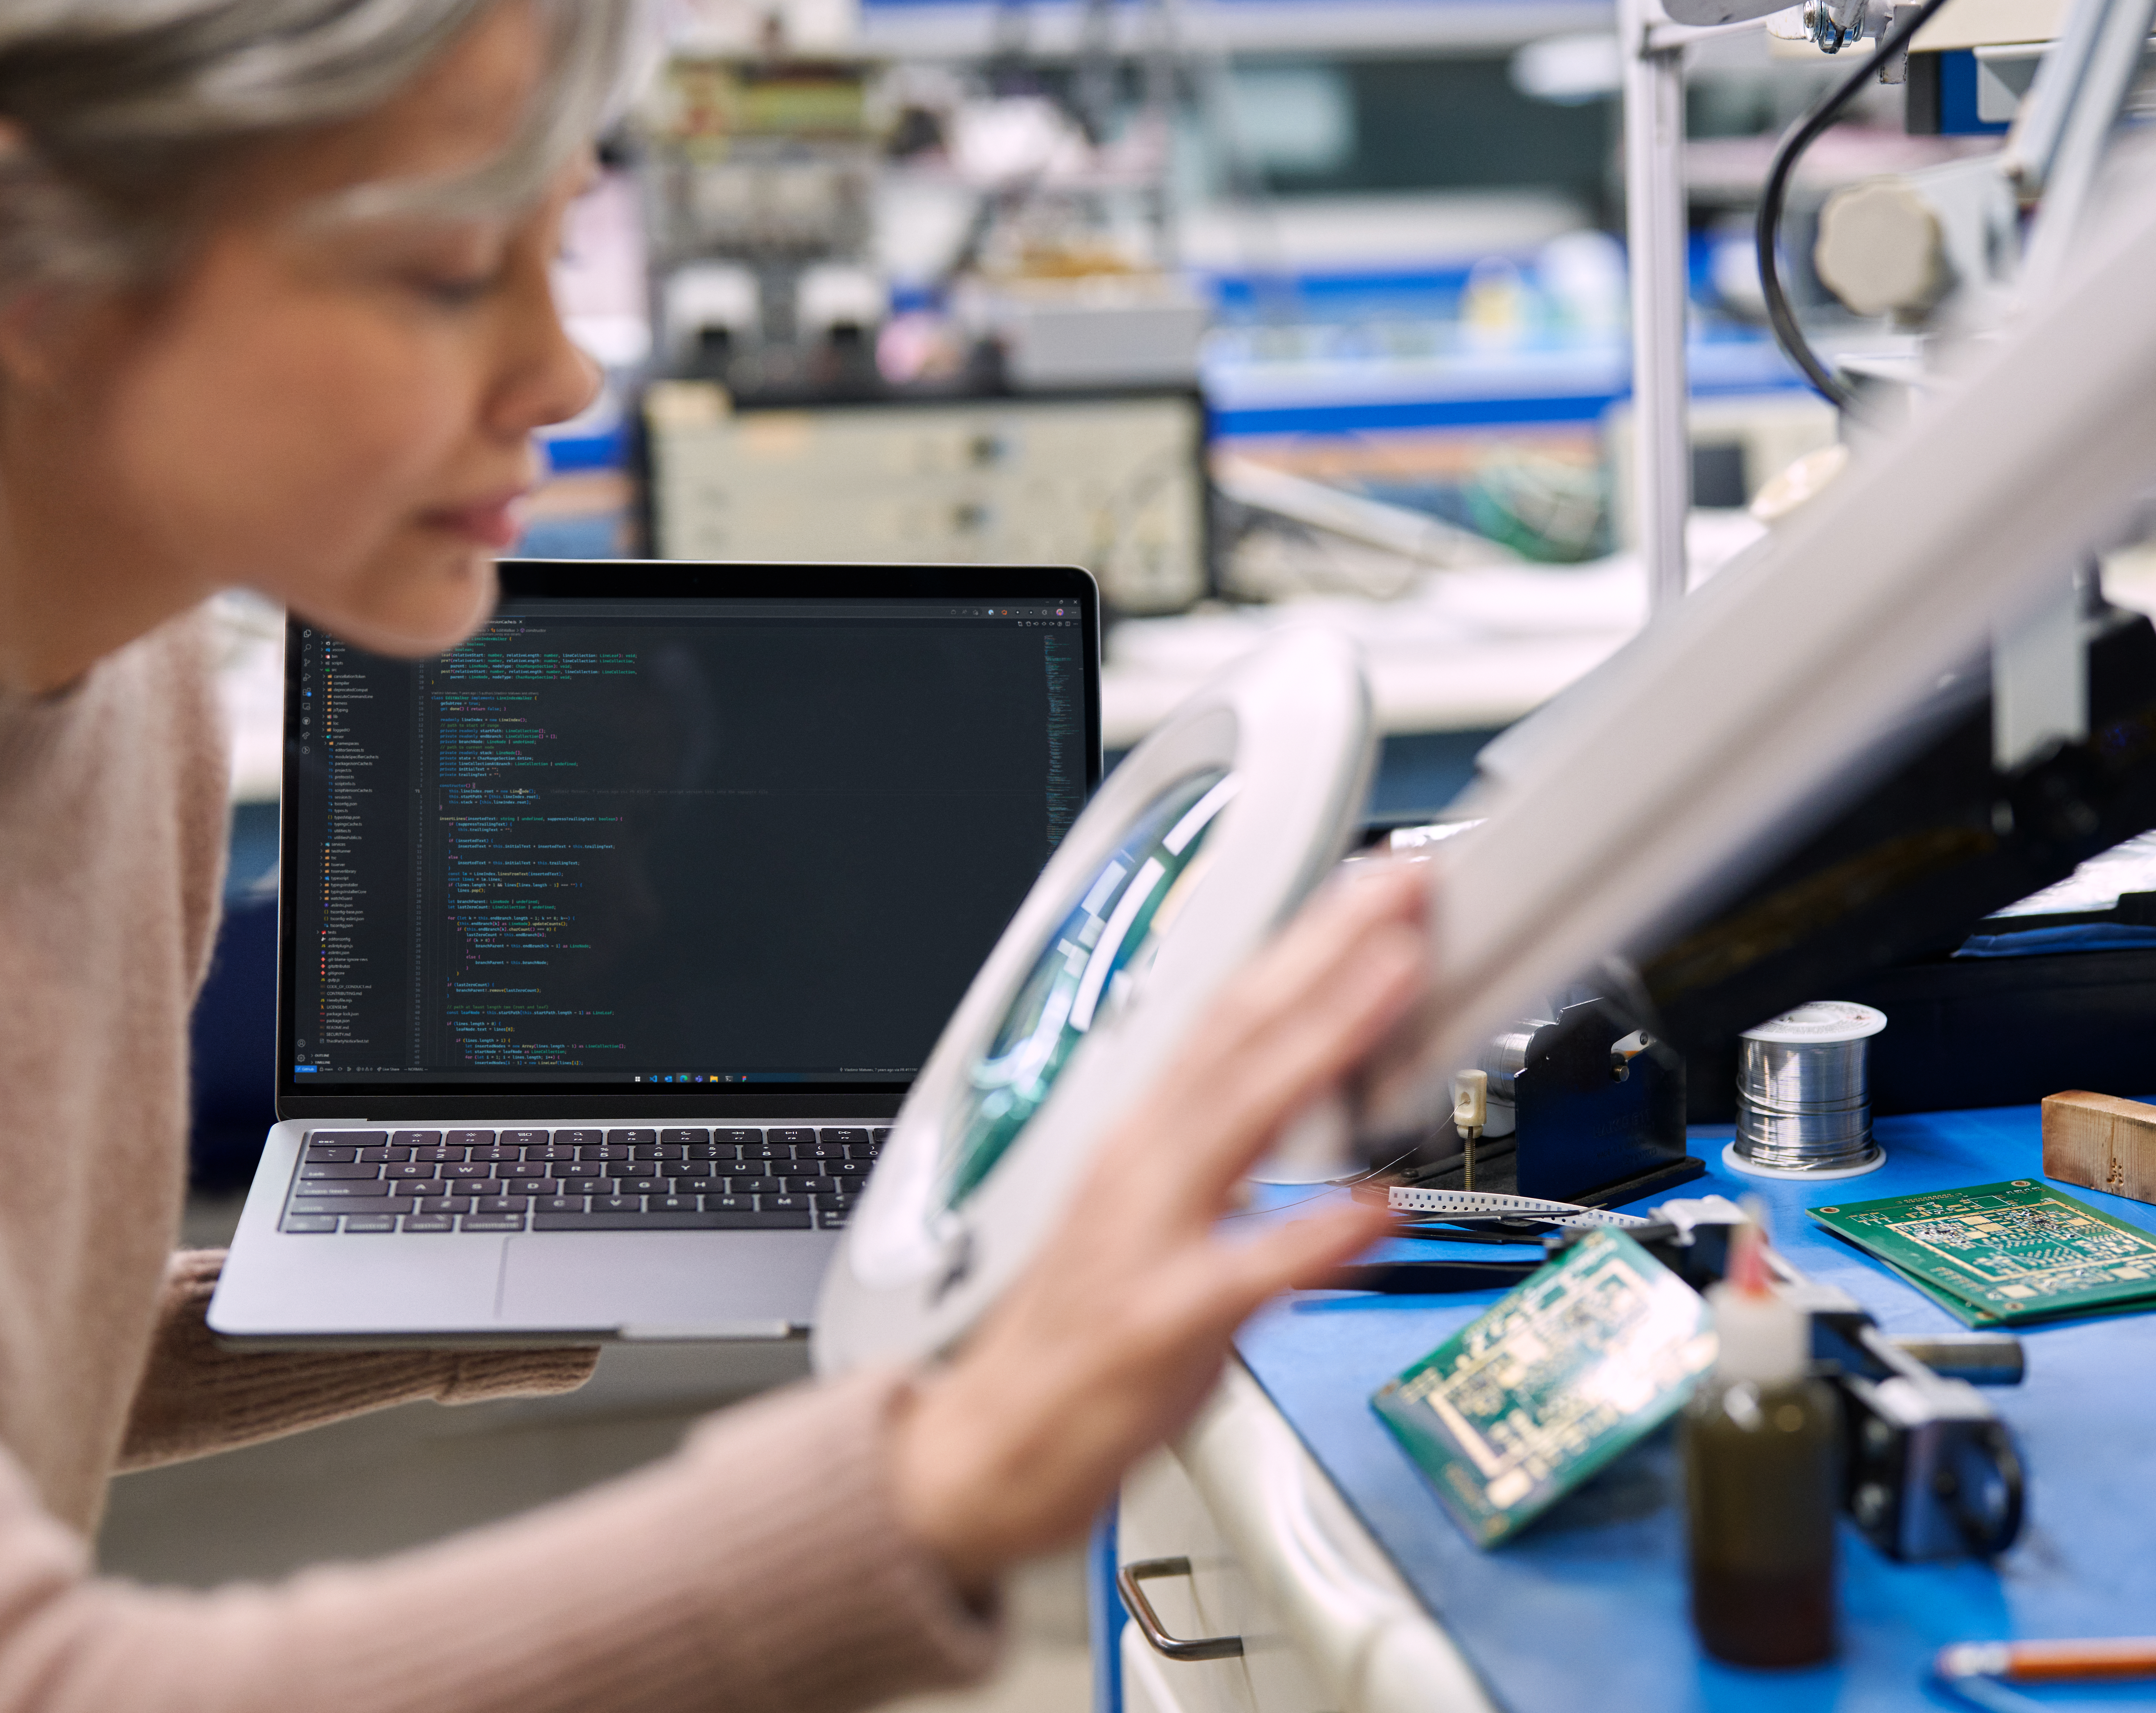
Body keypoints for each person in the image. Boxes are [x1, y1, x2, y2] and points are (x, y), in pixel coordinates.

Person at [0, 2, 1419, 1706]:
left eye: (557, 244)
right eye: (451, 271)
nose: (568, 374)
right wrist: (934, 1487)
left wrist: (505, 1258)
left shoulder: (126, 677)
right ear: (42, 268)